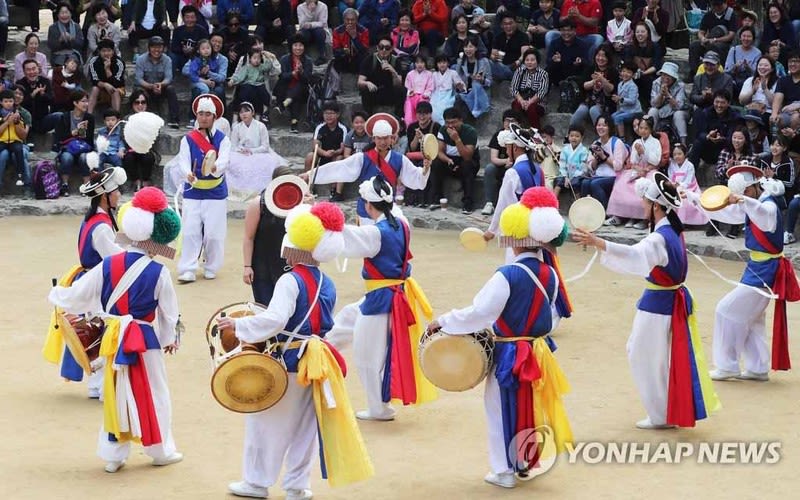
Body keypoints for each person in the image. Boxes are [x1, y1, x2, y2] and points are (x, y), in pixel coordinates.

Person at [220, 201, 373, 499]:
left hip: (289, 361)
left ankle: (256, 482)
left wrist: (239, 326)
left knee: (264, 423)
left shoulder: (290, 280)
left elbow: (276, 320)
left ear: (295, 246)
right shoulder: (327, 283)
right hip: (317, 362)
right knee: (306, 428)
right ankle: (297, 486)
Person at [429, 187, 574, 488]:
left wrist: (442, 322)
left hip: (509, 351)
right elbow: (552, 313)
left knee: (498, 407)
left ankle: (504, 470)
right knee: (528, 404)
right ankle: (522, 461)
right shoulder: (550, 274)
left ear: (518, 237)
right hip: (537, 350)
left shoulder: (507, 274)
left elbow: (479, 313)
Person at [48, 186, 184, 474]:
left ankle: (113, 454)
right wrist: (168, 339)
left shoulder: (108, 264)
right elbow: (169, 315)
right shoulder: (159, 272)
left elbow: (78, 295)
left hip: (112, 338)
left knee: (114, 392)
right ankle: (160, 450)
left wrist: (57, 294)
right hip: (144, 339)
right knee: (155, 393)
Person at [574, 173, 721, 429]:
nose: (641, 204)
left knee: (643, 356)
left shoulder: (659, 237)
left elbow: (635, 254)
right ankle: (664, 410)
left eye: (644, 200)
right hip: (666, 300)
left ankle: (661, 414)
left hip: (659, 303)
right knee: (656, 356)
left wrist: (599, 242)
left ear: (655, 205)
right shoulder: (674, 231)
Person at [327, 177, 437, 421]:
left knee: (367, 356)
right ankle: (322, 347)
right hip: (389, 295)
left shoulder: (376, 233)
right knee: (347, 318)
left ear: (368, 205)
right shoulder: (401, 224)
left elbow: (346, 239)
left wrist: (320, 216)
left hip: (382, 299)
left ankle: (379, 408)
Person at [685, 166, 800, 380]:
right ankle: (757, 367)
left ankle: (727, 365)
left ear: (755, 187)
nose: (744, 197)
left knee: (726, 310)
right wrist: (693, 197)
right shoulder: (753, 201)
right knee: (752, 318)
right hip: (758, 268)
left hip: (766, 270)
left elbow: (762, 215)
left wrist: (743, 200)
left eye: (746, 192)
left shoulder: (768, 206)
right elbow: (727, 212)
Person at [42, 165, 125, 398]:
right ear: (105, 197)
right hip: (97, 282)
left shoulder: (94, 221)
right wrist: (140, 254)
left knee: (94, 330)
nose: (119, 194)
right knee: (100, 331)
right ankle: (99, 387)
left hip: (90, 277)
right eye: (116, 191)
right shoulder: (101, 226)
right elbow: (114, 257)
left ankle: (96, 386)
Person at [304, 115, 431, 225]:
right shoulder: (362, 158)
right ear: (373, 139)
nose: (382, 142)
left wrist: (425, 169)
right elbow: (338, 168)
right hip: (366, 210)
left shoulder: (400, 159)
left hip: (388, 209)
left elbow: (416, 179)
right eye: (379, 138)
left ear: (392, 138)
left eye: (386, 138)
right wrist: (310, 174)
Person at [175, 94, 232, 283]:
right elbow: (183, 161)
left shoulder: (223, 139)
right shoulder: (188, 139)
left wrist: (215, 167)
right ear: (196, 115)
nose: (204, 117)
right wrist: (187, 174)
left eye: (208, 114)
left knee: (214, 234)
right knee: (190, 231)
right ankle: (188, 268)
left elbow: (224, 160)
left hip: (215, 191)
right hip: (193, 190)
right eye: (201, 114)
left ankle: (211, 266)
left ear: (214, 116)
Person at [484, 124, 545, 245]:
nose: (506, 151)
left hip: (518, 229)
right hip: (536, 227)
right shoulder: (538, 170)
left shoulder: (512, 172)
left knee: (516, 262)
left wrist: (492, 230)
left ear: (515, 148)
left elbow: (503, 204)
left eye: (507, 147)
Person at [241, 166, 292, 305]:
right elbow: (248, 237)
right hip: (262, 265)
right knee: (264, 308)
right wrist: (247, 266)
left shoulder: (299, 202)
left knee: (288, 308)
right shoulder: (259, 203)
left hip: (289, 265)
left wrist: (310, 207)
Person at [226, 102, 288, 198]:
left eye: (247, 111)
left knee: (266, 164)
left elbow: (265, 146)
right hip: (241, 153)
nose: (244, 114)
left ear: (253, 113)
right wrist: (241, 150)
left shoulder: (261, 126)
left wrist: (252, 151)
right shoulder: (236, 127)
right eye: (241, 112)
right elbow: (233, 146)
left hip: (259, 152)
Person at [428, 106, 478, 213]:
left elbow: (467, 156)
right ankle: (437, 199)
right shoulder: (442, 130)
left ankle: (468, 203)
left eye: (454, 122)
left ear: (461, 121)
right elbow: (439, 151)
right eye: (447, 123)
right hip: (450, 160)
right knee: (436, 163)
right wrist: (447, 160)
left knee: (467, 166)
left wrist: (457, 139)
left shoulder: (470, 132)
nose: (450, 126)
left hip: (467, 161)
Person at [54, 90, 95, 197]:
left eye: (87, 101)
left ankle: (87, 186)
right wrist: (74, 132)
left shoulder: (89, 118)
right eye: (83, 101)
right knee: (67, 158)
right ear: (75, 103)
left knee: (84, 158)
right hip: (68, 147)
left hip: (84, 147)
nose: (86, 104)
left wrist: (82, 132)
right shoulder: (64, 117)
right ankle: (64, 185)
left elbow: (89, 140)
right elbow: (60, 137)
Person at [304, 101, 348, 200]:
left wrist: (334, 152)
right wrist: (324, 153)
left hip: (335, 156)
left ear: (337, 114)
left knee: (340, 159)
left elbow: (343, 148)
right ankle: (309, 187)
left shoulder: (343, 128)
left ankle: (334, 189)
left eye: (331, 113)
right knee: (310, 156)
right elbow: (315, 145)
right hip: (322, 156)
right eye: (326, 113)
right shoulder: (320, 127)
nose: (328, 116)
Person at [688, 89, 741, 170]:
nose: (719, 105)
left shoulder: (734, 116)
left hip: (724, 149)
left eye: (722, 102)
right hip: (708, 147)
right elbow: (699, 134)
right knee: (697, 144)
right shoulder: (706, 113)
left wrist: (722, 139)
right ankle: (690, 175)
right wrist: (708, 136)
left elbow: (732, 138)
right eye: (717, 102)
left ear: (728, 103)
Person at [135, 36, 180, 129]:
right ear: (149, 48)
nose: (157, 50)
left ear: (163, 48)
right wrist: (151, 86)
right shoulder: (141, 59)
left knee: (171, 89)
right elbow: (139, 79)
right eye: (154, 47)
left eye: (159, 47)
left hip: (161, 87)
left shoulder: (167, 60)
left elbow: (169, 78)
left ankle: (174, 119)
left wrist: (161, 84)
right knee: (138, 90)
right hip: (146, 87)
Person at [687, 0, 737, 81]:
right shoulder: (709, 15)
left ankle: (717, 73)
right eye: (714, 5)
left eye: (719, 5)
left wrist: (716, 40)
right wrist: (702, 38)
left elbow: (731, 35)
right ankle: (695, 71)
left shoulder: (731, 14)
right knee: (694, 45)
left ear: (725, 3)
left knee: (715, 46)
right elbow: (701, 31)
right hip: (709, 40)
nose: (717, 8)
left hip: (724, 44)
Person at [274, 35, 313, 134]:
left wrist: (301, 72)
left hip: (302, 89)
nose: (298, 48)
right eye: (295, 45)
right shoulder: (284, 59)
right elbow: (282, 76)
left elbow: (307, 80)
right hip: (286, 88)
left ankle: (283, 105)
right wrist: (292, 74)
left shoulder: (308, 61)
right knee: (295, 97)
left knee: (300, 87)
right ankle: (294, 124)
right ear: (291, 47)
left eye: (301, 45)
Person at [585, 115, 627, 208]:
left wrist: (603, 156)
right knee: (585, 183)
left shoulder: (617, 143)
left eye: (604, 125)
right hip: (598, 175)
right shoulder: (595, 143)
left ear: (609, 127)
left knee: (595, 184)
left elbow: (618, 166)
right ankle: (587, 211)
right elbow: (591, 167)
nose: (601, 128)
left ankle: (606, 211)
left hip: (614, 176)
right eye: (598, 125)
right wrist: (596, 158)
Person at [571, 46, 617, 129]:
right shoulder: (590, 68)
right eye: (598, 55)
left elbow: (611, 89)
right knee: (581, 111)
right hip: (589, 100)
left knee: (594, 110)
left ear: (608, 58)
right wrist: (593, 81)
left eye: (603, 56)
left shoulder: (613, 71)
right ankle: (570, 136)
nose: (600, 58)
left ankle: (603, 136)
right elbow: (584, 85)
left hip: (605, 103)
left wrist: (602, 79)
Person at [358, 36, 405, 117]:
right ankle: (367, 118)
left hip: (389, 93)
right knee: (364, 91)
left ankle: (399, 119)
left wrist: (393, 72)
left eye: (387, 48)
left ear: (391, 49)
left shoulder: (396, 61)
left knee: (402, 91)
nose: (383, 50)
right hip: (374, 92)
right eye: (381, 47)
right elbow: (359, 82)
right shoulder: (369, 60)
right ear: (377, 48)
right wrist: (367, 83)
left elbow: (398, 85)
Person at [405, 101, 440, 206]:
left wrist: (424, 138)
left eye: (425, 113)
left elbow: (435, 148)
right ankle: (412, 198)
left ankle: (425, 199)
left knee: (423, 166)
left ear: (430, 114)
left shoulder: (436, 127)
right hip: (416, 155)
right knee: (409, 166)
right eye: (419, 113)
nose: (422, 116)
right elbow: (412, 148)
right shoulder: (412, 127)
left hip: (431, 156)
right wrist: (416, 137)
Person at [123, 89, 159, 191]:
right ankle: (136, 181)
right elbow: (123, 137)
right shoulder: (127, 119)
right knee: (129, 158)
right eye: (137, 102)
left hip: (147, 148)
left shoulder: (152, 118)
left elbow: (155, 138)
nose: (140, 105)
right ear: (132, 104)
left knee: (148, 157)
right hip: (130, 149)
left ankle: (146, 181)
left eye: (143, 102)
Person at [646, 61, 689, 145]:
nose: (665, 78)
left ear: (673, 77)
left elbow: (678, 106)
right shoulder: (656, 83)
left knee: (678, 114)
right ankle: (650, 138)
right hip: (662, 110)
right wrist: (661, 94)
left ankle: (683, 144)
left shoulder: (680, 85)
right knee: (652, 111)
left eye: (668, 76)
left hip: (678, 111)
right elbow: (654, 104)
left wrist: (668, 95)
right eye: (664, 75)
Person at [228, 46, 272, 120]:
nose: (256, 60)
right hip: (249, 84)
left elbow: (268, 66)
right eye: (254, 58)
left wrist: (267, 57)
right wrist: (233, 81)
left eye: (258, 58)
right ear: (250, 59)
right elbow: (240, 76)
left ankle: (266, 107)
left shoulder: (261, 67)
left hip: (259, 85)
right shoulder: (247, 67)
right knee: (245, 91)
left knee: (264, 93)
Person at [667, 143, 706, 226]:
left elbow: (688, 181)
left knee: (684, 202)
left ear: (685, 154)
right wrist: (673, 184)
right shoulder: (672, 165)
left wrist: (680, 186)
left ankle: (684, 221)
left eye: (679, 154)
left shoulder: (689, 166)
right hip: (675, 188)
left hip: (689, 189)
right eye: (674, 154)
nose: (677, 156)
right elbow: (670, 177)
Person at [454, 37, 492, 120]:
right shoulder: (460, 62)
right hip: (465, 92)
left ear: (476, 48)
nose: (468, 49)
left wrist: (482, 80)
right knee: (458, 100)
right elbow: (457, 80)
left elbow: (489, 82)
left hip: (479, 93)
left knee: (476, 86)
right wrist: (459, 86)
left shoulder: (484, 61)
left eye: (471, 46)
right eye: (466, 47)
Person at [509, 48, 548, 129]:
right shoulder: (520, 71)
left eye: (532, 60)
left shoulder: (543, 74)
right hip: (521, 99)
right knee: (516, 104)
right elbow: (513, 88)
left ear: (537, 61)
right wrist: (522, 101)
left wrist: (530, 102)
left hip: (537, 103)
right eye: (527, 60)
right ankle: (516, 129)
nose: (529, 62)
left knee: (531, 107)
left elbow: (542, 92)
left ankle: (536, 131)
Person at [0, 90, 30, 191]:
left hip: (15, 141)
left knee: (19, 151)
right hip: (2, 141)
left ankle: (22, 179)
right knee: (2, 154)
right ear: (1, 102)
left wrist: (16, 122)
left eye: (10, 101)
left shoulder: (19, 114)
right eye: (6, 101)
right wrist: (7, 122)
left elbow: (23, 136)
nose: (8, 104)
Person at [488, 14, 531, 83]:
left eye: (510, 23)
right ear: (501, 25)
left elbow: (525, 54)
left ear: (516, 23)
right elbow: (492, 54)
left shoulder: (523, 36)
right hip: (501, 66)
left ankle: (508, 77)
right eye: (505, 24)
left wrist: (518, 62)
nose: (508, 26)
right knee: (486, 61)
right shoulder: (498, 37)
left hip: (515, 67)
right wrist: (494, 57)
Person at [88, 39, 125, 114]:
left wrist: (107, 69)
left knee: (115, 90)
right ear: (99, 52)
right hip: (101, 89)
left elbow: (117, 83)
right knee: (95, 89)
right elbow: (94, 80)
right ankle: (88, 116)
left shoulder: (119, 63)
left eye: (109, 50)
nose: (106, 53)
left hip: (118, 89)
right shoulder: (93, 61)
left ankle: (116, 117)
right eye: (103, 51)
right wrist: (105, 85)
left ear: (113, 51)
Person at [169, 5, 209, 73]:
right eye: (187, 17)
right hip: (181, 57)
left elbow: (206, 47)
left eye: (192, 17)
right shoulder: (177, 30)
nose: (190, 20)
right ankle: (170, 78)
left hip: (196, 58)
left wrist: (193, 50)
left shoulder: (202, 31)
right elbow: (174, 47)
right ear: (183, 18)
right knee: (171, 56)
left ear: (196, 18)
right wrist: (183, 50)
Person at [333, 8, 371, 74]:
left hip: (357, 58)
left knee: (365, 58)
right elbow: (335, 49)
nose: (350, 22)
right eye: (347, 20)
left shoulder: (364, 31)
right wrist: (343, 51)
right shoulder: (337, 31)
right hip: (344, 57)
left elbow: (364, 50)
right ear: (343, 20)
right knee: (336, 60)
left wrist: (354, 37)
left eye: (352, 20)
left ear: (357, 20)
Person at [611, 61, 643, 138]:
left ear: (633, 75)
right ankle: (615, 134)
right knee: (612, 116)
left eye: (628, 72)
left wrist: (620, 99)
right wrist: (617, 99)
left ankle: (622, 137)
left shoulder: (633, 86)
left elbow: (632, 101)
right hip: (624, 109)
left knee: (618, 118)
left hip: (634, 111)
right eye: (623, 71)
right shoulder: (620, 84)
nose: (625, 74)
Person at [404, 55, 433, 126]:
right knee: (409, 116)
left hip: (423, 97)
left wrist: (426, 94)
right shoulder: (410, 74)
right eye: (417, 62)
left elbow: (430, 87)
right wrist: (410, 92)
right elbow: (408, 86)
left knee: (422, 112)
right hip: (412, 96)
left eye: (422, 62)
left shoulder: (429, 74)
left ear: (425, 63)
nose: (419, 64)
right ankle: (410, 129)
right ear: (414, 64)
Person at [391, 9, 420, 74]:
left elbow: (412, 50)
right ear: (399, 21)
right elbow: (391, 49)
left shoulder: (414, 33)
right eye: (402, 20)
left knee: (412, 66)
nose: (404, 23)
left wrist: (397, 49)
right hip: (395, 59)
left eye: (407, 20)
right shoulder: (393, 32)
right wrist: (402, 50)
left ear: (411, 21)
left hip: (410, 59)